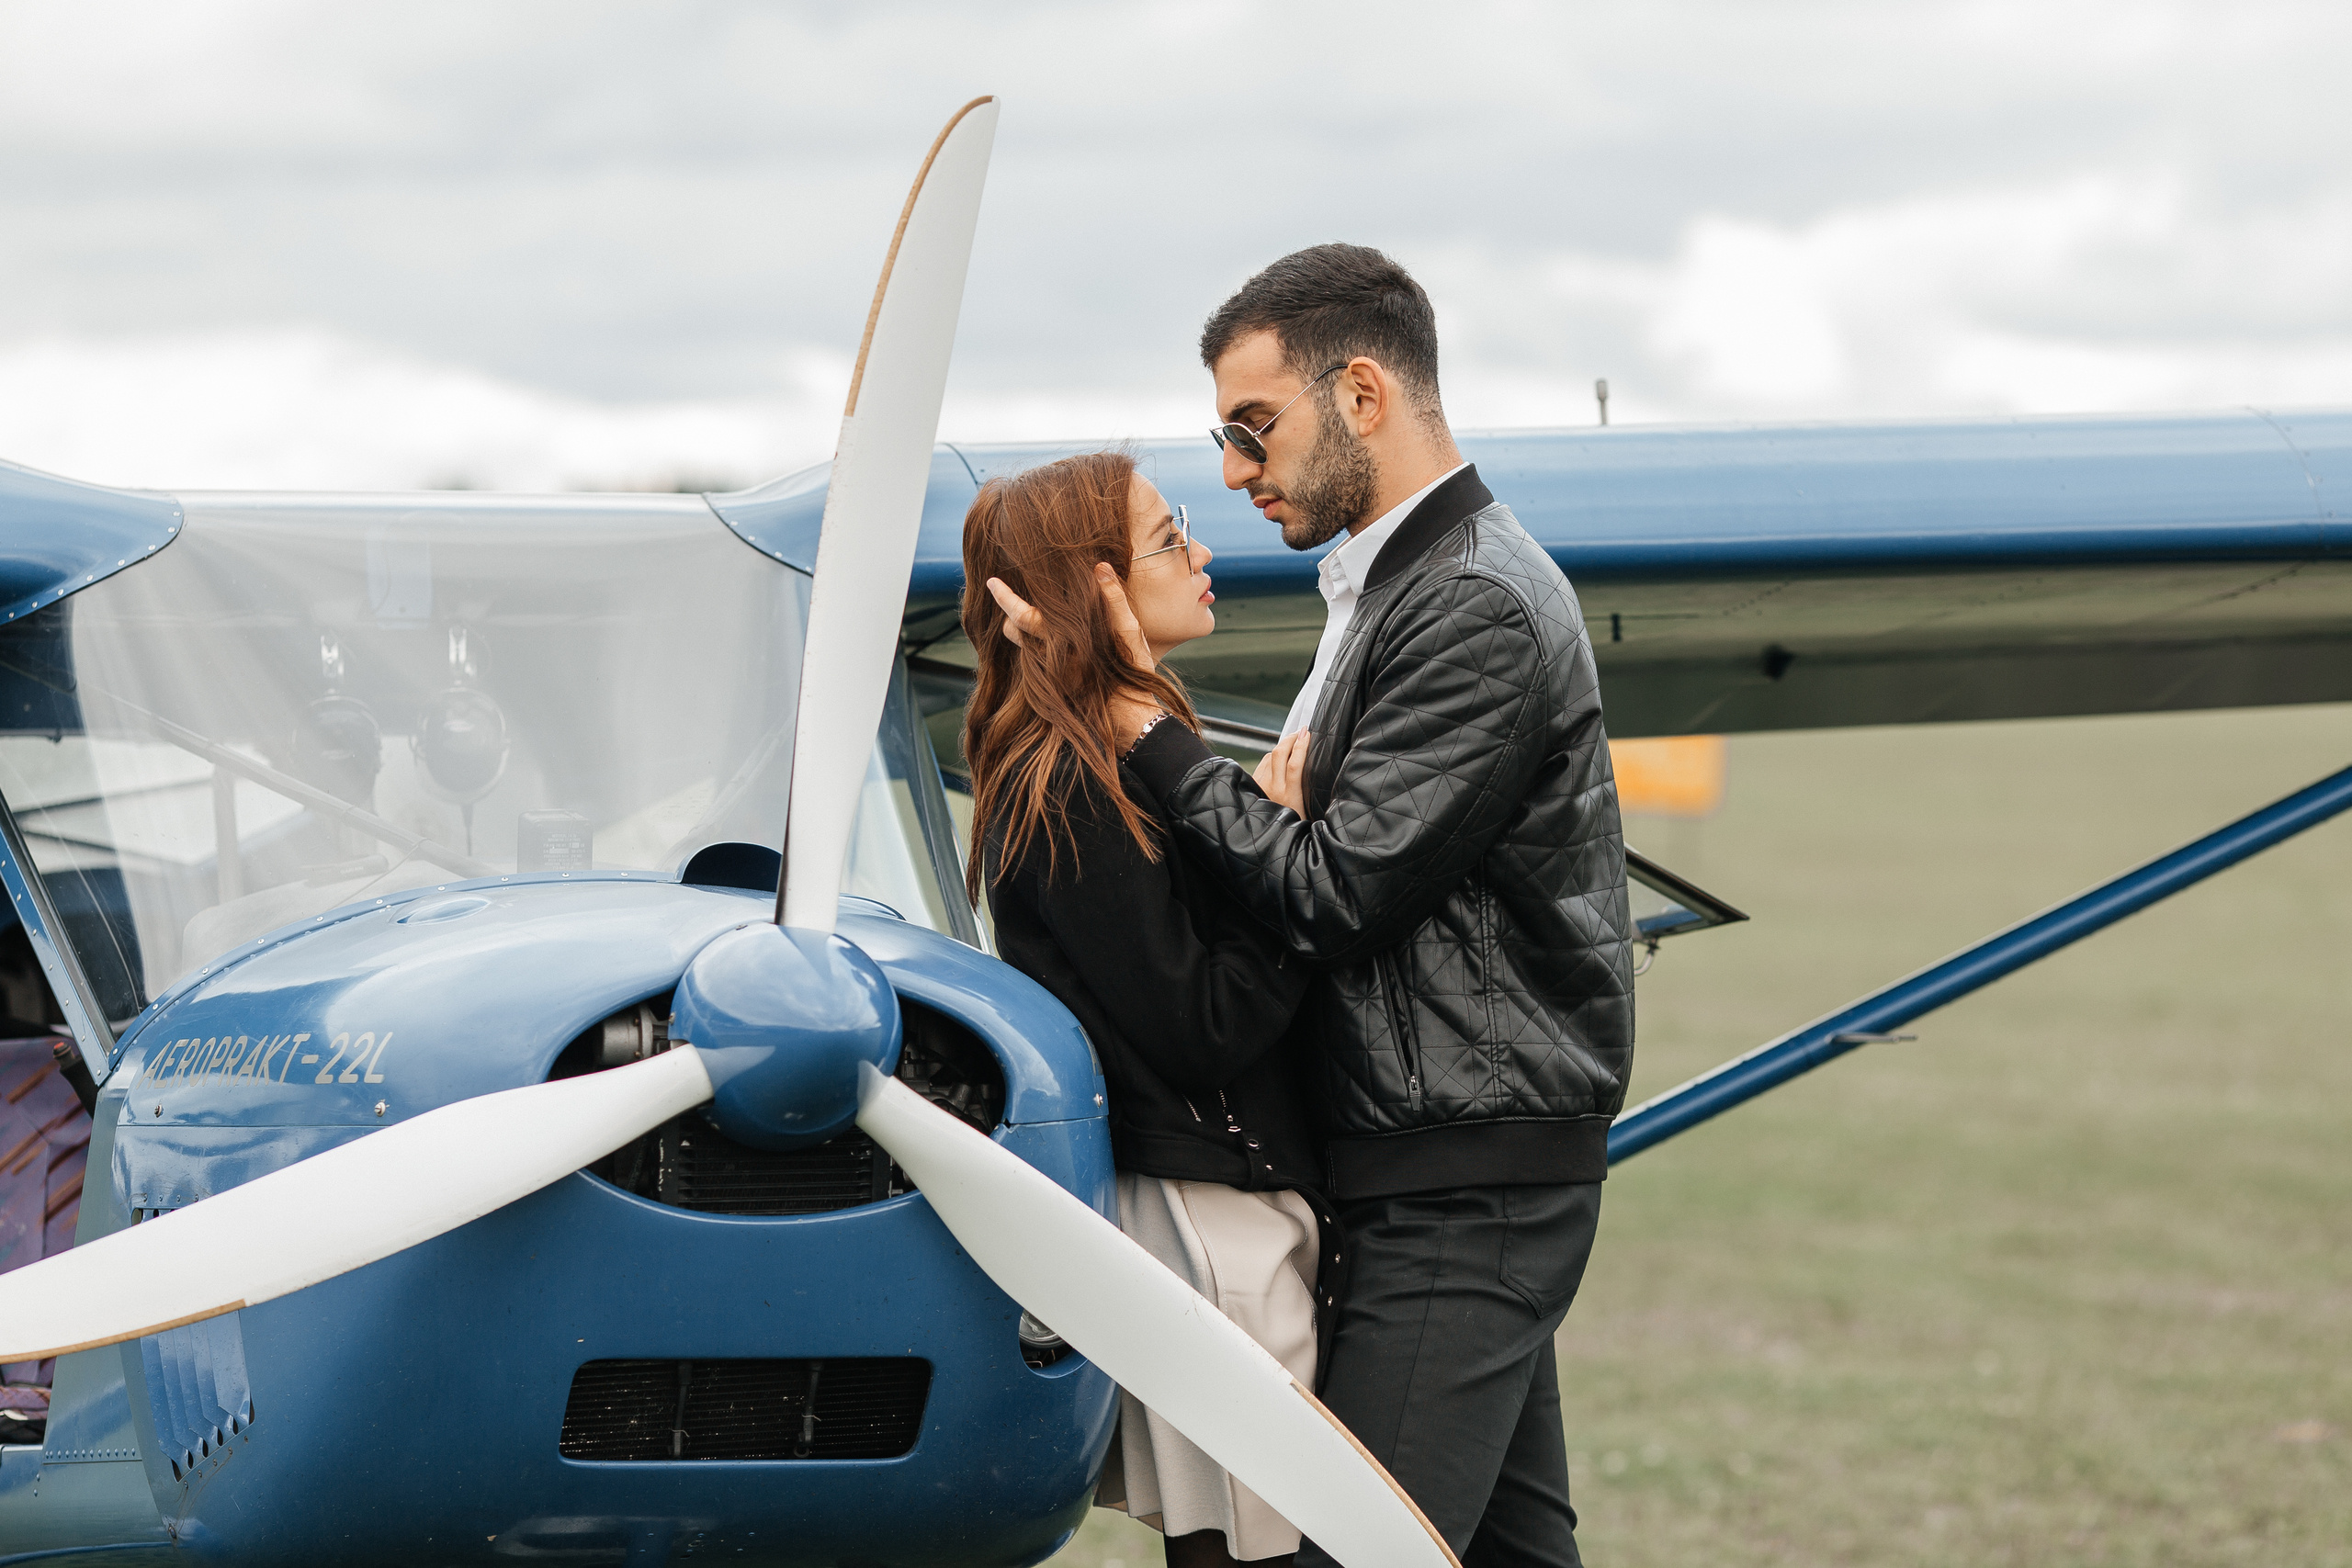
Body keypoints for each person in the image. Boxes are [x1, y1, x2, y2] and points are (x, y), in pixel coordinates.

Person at [991, 243, 1634, 1566]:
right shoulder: (1392, 586)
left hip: (1461, 1181)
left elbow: (1333, 889)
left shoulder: (1472, 603)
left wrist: (1145, 735)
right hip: (1432, 1162)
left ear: (1360, 392)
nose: (1233, 471)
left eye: (1252, 426)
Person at [960, 450, 1336, 1568]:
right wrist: (1286, 877)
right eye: (1171, 537)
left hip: (1219, 1193)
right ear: (1098, 589)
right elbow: (1201, 1025)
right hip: (1203, 1215)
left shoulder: (1097, 760)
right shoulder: (1066, 783)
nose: (1205, 550)